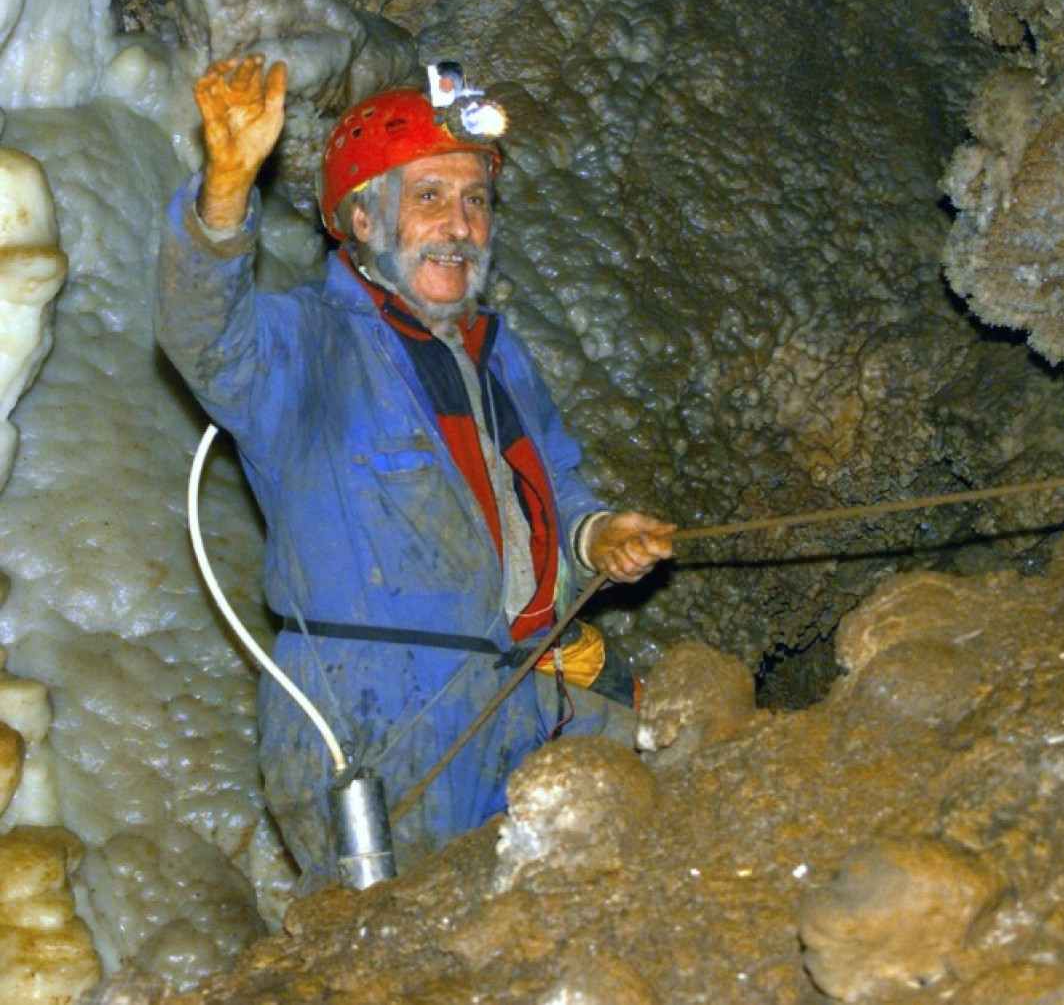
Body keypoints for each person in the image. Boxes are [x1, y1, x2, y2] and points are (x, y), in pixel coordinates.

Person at [156, 54, 675, 879]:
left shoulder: (498, 358)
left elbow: (555, 486)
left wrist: (596, 534)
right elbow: (203, 334)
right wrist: (224, 192)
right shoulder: (307, 344)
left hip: (520, 689)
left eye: (475, 201)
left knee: (676, 787)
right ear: (362, 220)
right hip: (373, 718)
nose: (459, 224)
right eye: (427, 197)